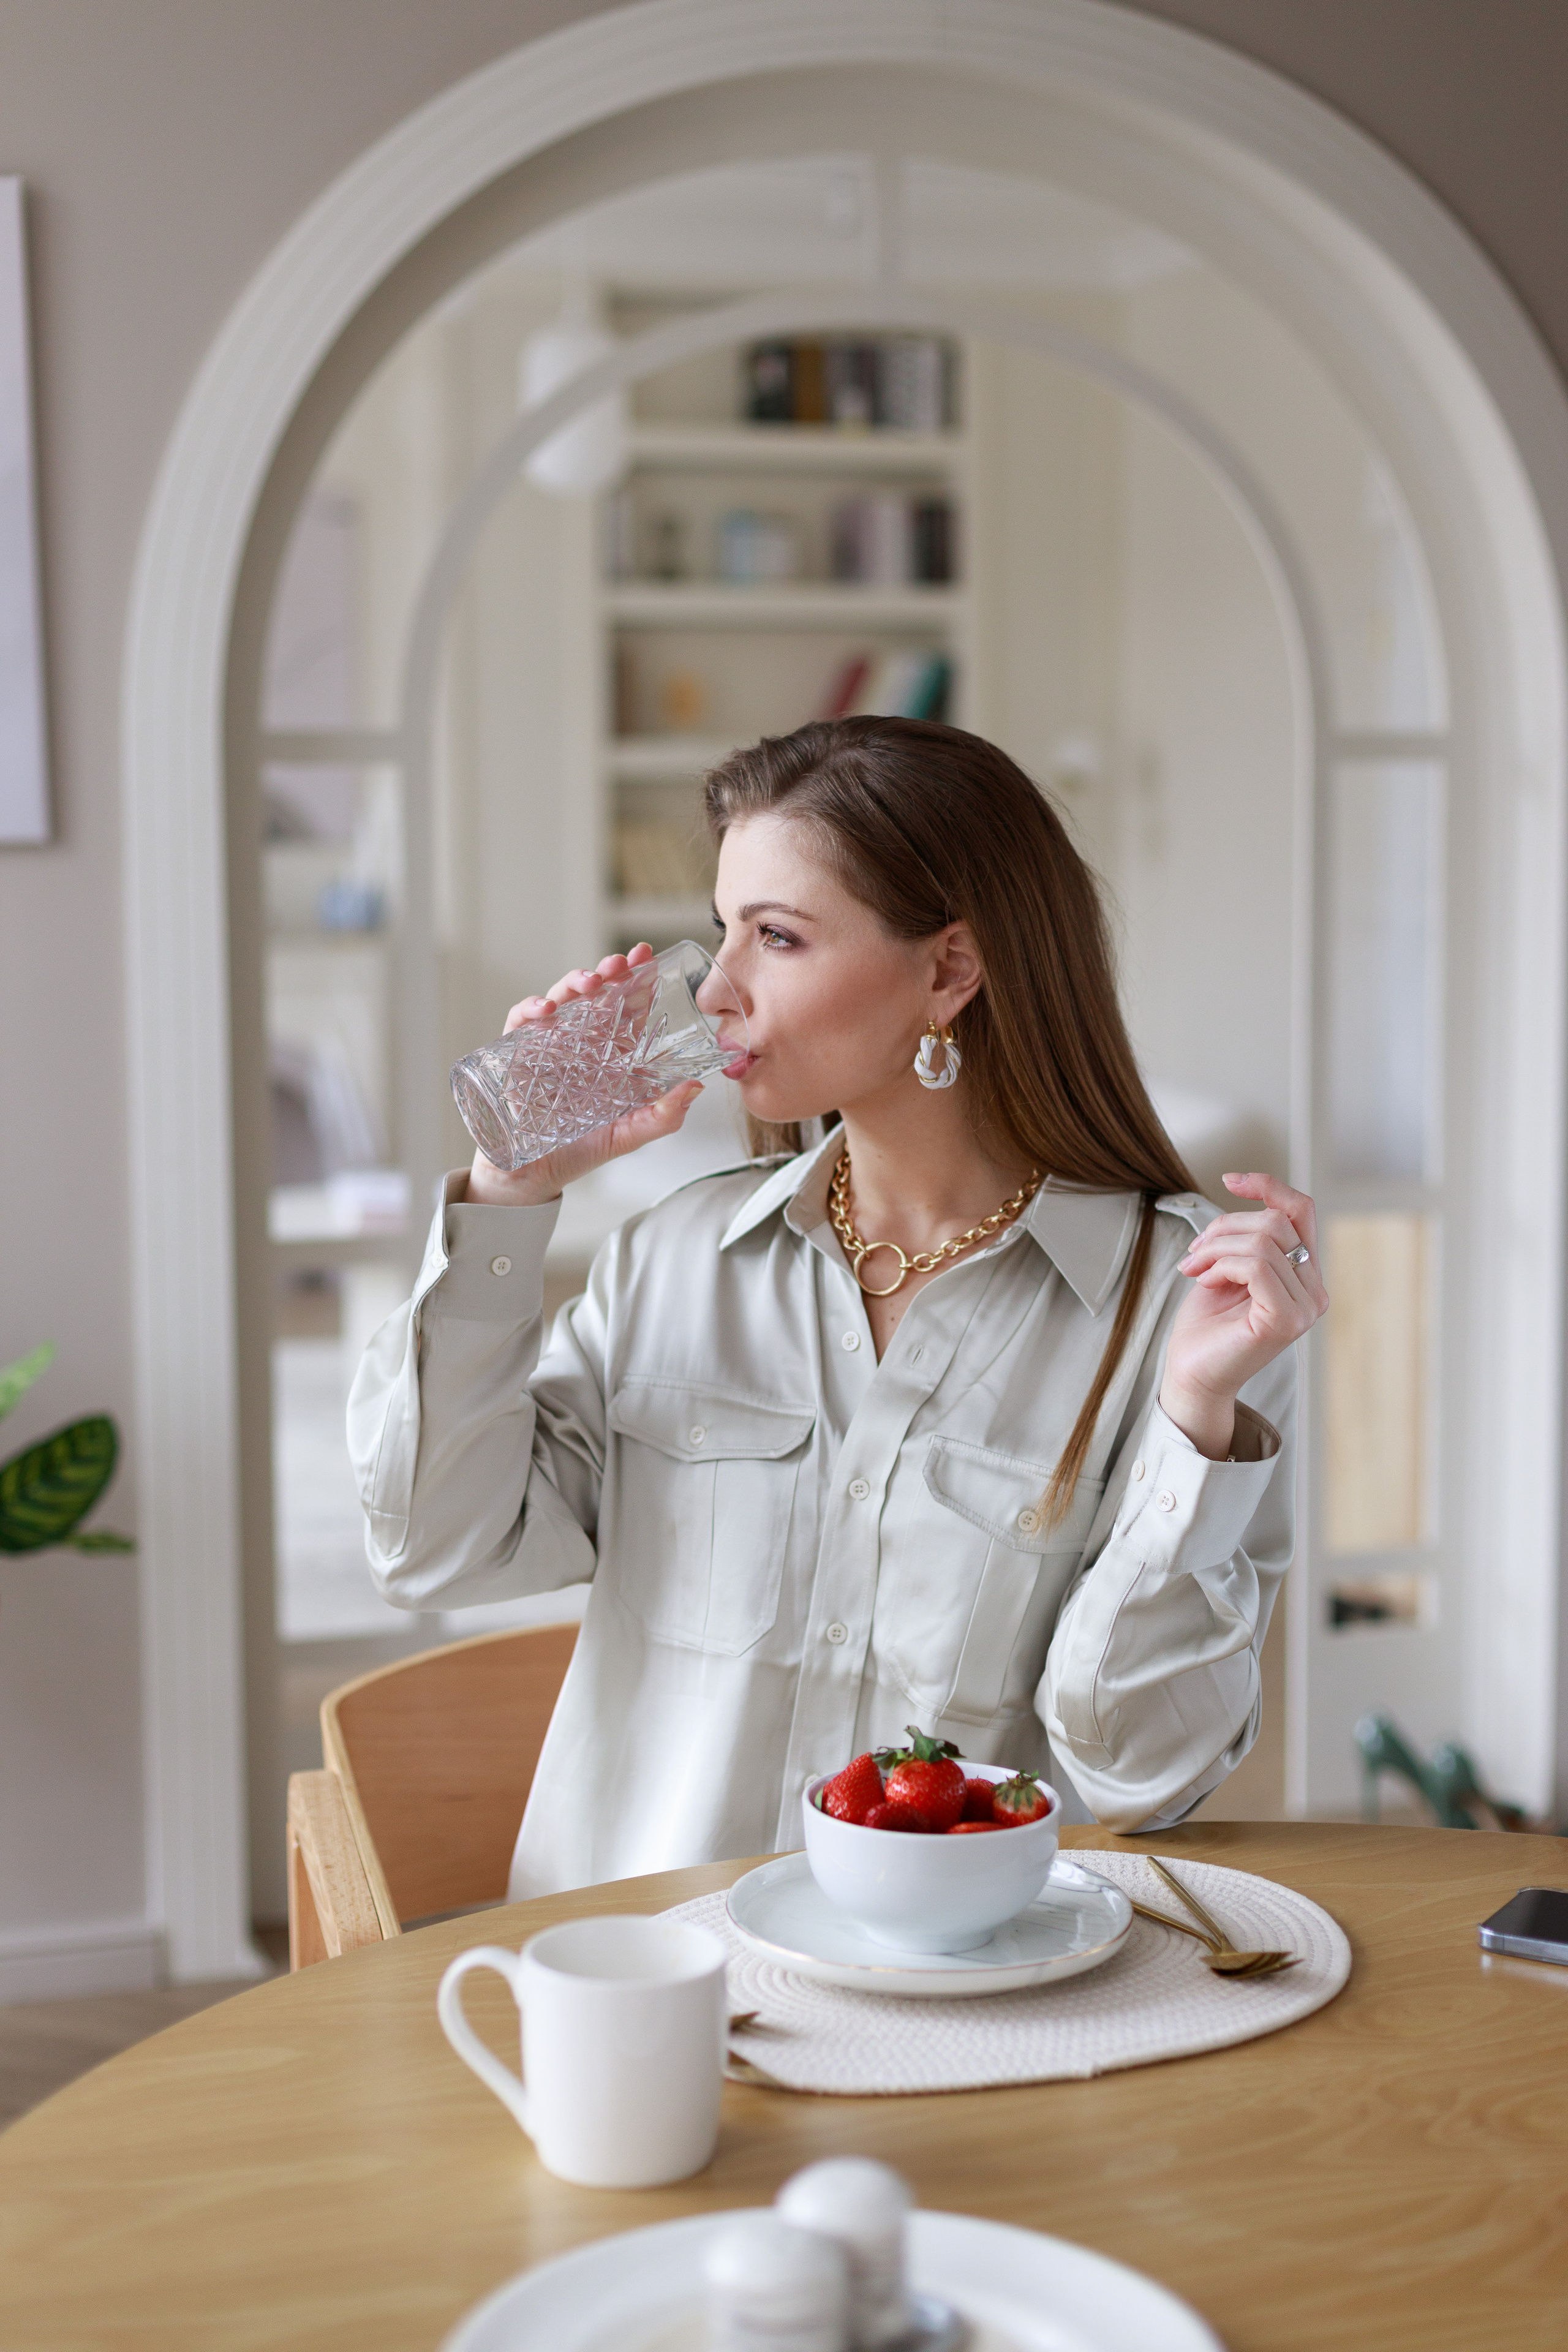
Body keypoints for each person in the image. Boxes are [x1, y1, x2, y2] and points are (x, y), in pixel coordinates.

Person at [349, 718, 1325, 1898]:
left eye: (778, 937)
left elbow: (1143, 1772)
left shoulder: (1182, 1318)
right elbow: (431, 1545)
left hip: (950, 2009)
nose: (716, 990)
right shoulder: (676, 1264)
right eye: (724, 933)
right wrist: (510, 1195)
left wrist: (1194, 1418)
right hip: (656, 1988)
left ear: (949, 971)